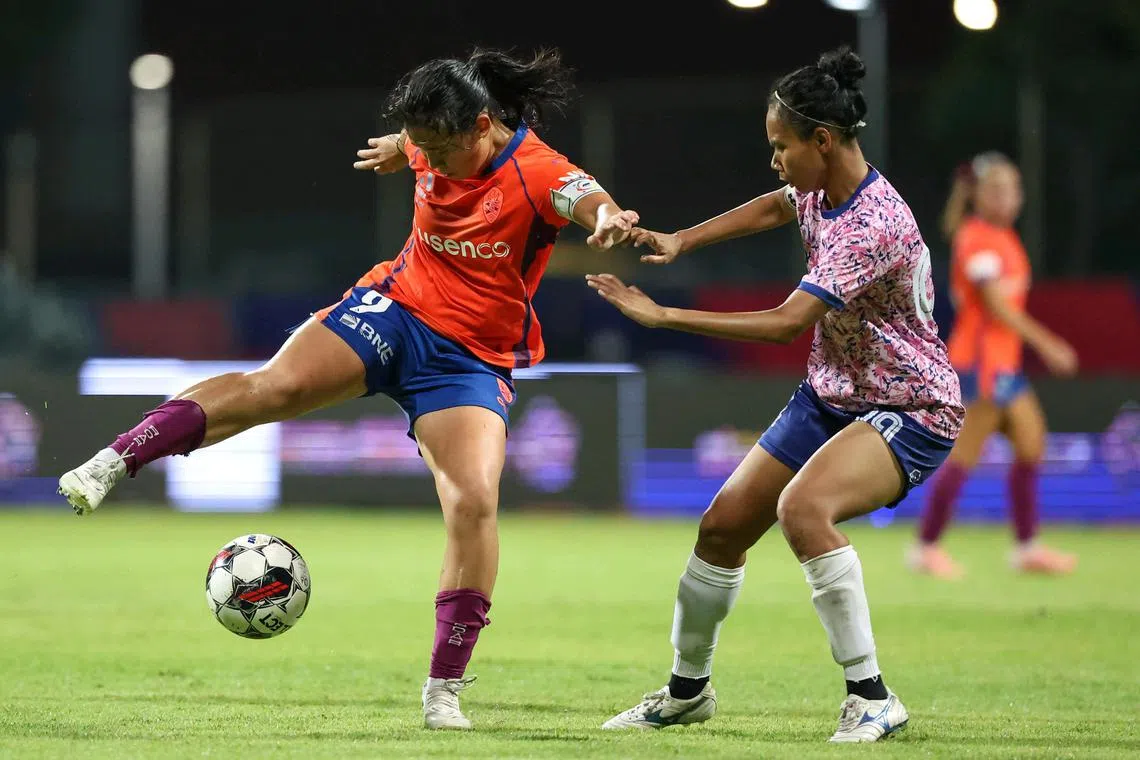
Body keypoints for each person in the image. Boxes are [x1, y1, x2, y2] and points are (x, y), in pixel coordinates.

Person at [57, 48, 639, 730]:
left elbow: (585, 198)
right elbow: (419, 144)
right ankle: (114, 460)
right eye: (421, 148)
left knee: (474, 502)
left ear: (483, 126)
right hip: (395, 309)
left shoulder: (538, 171)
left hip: (467, 359)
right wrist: (401, 147)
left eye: (438, 151)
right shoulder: (433, 140)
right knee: (273, 387)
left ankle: (443, 689)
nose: (430, 161)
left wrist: (607, 217)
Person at [586, 46, 963, 743]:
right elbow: (774, 206)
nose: (774, 160)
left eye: (780, 146)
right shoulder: (820, 187)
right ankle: (686, 692)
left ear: (822, 140)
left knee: (805, 510)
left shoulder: (872, 225)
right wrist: (683, 240)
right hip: (832, 395)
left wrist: (664, 316)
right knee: (722, 529)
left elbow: (787, 323)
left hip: (910, 407)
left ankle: (872, 697)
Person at [908, 153, 1078, 579]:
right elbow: (995, 305)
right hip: (980, 364)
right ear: (977, 196)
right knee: (964, 456)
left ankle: (1027, 548)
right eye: (997, 190)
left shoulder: (1005, 237)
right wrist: (1048, 344)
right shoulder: (976, 237)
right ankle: (925, 548)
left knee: (1031, 443)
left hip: (1005, 367)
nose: (1008, 198)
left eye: (1013, 190)